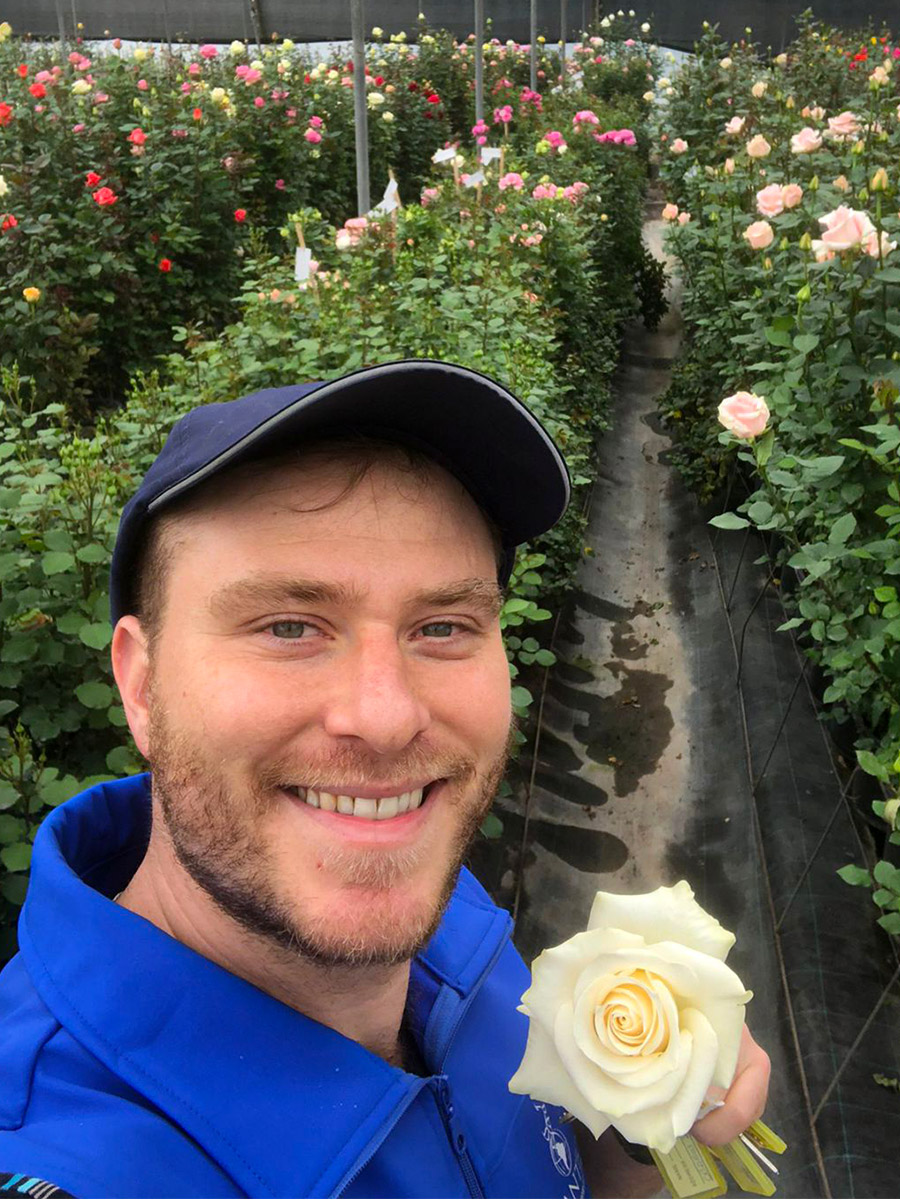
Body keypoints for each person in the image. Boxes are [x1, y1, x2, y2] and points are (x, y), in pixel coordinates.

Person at [0, 360, 770, 1199]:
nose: (388, 716)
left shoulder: (427, 899)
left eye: (443, 626)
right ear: (141, 684)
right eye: (290, 626)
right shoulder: (66, 1162)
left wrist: (632, 1132)